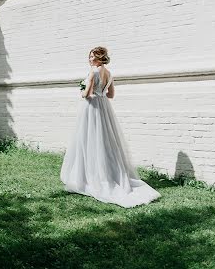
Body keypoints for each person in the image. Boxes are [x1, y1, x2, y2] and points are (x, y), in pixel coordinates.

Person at [60, 46, 161, 208]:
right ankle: (106, 173)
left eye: (93, 56)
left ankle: (89, 177)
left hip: (92, 108)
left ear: (100, 58)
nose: (90, 59)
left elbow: (87, 94)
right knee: (104, 140)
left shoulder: (93, 72)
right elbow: (111, 95)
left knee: (89, 139)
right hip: (104, 108)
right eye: (90, 56)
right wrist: (99, 92)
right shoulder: (109, 74)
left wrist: (81, 91)